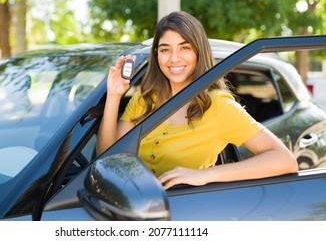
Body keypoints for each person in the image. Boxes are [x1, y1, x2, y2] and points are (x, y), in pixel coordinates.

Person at [96, 11, 298, 189]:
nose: (174, 58)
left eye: (185, 48)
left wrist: (204, 175)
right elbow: (106, 158)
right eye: (165, 49)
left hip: (187, 209)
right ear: (157, 54)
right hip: (130, 208)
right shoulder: (145, 98)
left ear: (199, 51)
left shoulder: (219, 106)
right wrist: (114, 96)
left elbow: (284, 160)